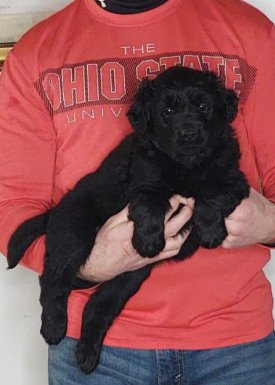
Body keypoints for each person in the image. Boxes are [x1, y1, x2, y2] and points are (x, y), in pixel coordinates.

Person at [0, 0, 275, 383]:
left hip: (236, 343)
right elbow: (12, 204)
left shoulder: (250, 30)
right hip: (99, 353)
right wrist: (89, 264)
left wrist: (269, 223)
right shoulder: (36, 52)